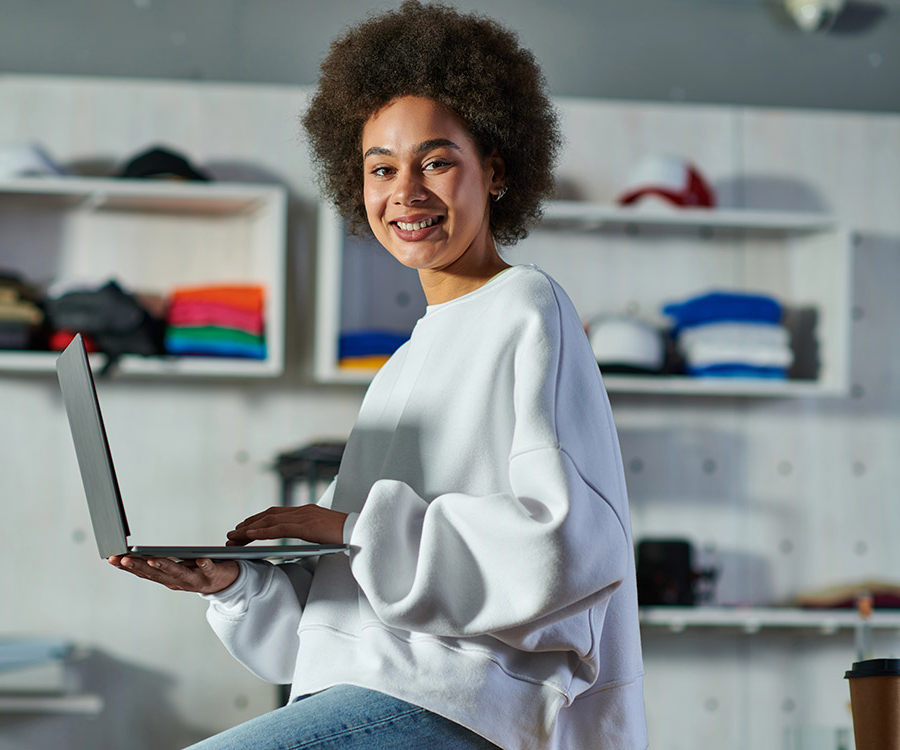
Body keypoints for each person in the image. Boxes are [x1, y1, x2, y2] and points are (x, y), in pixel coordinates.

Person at [108, 2, 648, 748]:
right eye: (381, 169)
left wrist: (353, 529)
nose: (407, 193)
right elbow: (343, 617)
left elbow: (565, 548)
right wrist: (233, 583)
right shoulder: (400, 367)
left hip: (462, 704)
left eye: (436, 161)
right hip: (378, 692)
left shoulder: (527, 306)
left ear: (494, 169)